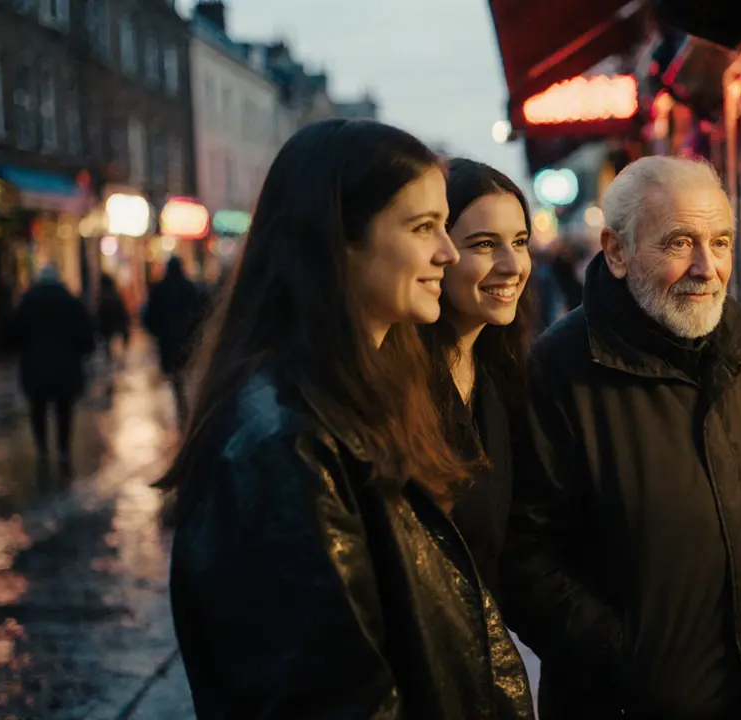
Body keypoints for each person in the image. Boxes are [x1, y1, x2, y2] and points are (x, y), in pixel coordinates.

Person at [160, 119, 533, 719]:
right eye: (423, 228)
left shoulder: (363, 401)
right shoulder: (284, 440)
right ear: (338, 241)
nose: (446, 250)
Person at [502, 155, 741, 719]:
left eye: (721, 242)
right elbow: (524, 559)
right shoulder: (556, 371)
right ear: (616, 251)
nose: (707, 267)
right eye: (680, 242)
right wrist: (629, 664)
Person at [419, 158, 533, 598]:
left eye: (520, 242)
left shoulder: (503, 375)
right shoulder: (399, 385)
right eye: (485, 244)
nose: (512, 264)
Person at [9, 265, 95, 476]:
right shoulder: (70, 302)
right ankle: (63, 449)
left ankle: (42, 448)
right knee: (63, 409)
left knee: (37, 409)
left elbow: (13, 335)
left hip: (35, 367)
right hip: (65, 367)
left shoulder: (27, 302)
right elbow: (86, 336)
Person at [143, 256, 210, 424]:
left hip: (167, 340)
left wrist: (156, 331)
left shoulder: (160, 289)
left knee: (176, 377)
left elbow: (150, 316)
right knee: (187, 372)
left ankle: (183, 409)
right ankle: (189, 410)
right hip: (187, 338)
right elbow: (202, 311)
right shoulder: (189, 288)